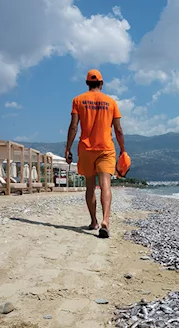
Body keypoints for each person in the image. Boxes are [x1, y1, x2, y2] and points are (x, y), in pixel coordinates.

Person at [64, 69, 125, 239]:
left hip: (86, 148)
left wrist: (68, 148)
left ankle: (94, 221)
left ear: (87, 83)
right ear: (102, 83)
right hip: (106, 148)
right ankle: (106, 221)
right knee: (106, 184)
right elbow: (118, 130)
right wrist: (123, 150)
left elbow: (74, 126)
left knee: (90, 186)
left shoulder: (78, 100)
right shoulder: (111, 102)